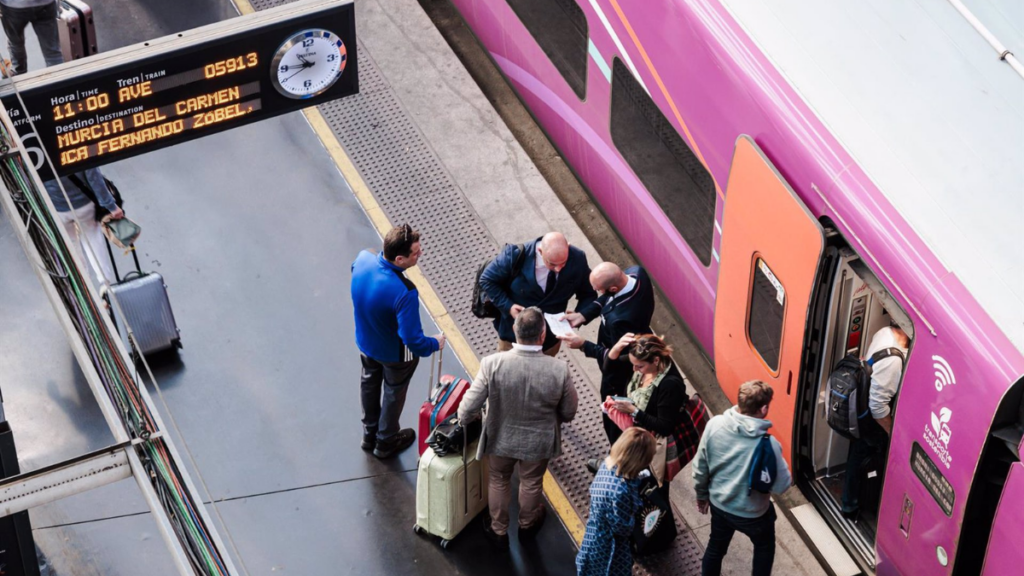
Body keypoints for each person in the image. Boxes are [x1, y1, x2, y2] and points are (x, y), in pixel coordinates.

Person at [457, 306, 578, 548]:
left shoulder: (492, 363)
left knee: (499, 479)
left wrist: (464, 421)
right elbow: (568, 412)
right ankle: (527, 525)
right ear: (543, 335)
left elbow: (468, 407)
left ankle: (498, 529)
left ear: (514, 330)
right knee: (531, 482)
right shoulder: (559, 370)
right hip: (539, 441)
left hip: (501, 437)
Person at [351, 224, 445, 459]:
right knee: (394, 391)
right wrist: (434, 343)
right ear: (400, 259)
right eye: (416, 252)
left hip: (365, 342)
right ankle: (386, 440)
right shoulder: (404, 292)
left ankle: (369, 433)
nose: (420, 253)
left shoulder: (364, 258)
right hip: (395, 354)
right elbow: (412, 340)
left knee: (369, 382)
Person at [692, 380, 792, 576]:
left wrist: (701, 496)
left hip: (719, 506)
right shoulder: (769, 444)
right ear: (763, 408)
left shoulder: (715, 425)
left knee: (715, 548)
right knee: (764, 548)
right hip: (753, 514)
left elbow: (700, 467)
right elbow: (782, 485)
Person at [560, 262, 655, 443]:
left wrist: (583, 345)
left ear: (613, 288)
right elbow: (608, 298)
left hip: (619, 374)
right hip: (640, 336)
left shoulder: (620, 320)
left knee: (613, 415)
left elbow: (617, 357)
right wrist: (584, 315)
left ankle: (618, 451)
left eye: (600, 290)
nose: (599, 294)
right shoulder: (636, 273)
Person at [479, 232, 600, 357]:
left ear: (568, 247)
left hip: (549, 342)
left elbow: (588, 293)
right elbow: (487, 280)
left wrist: (580, 314)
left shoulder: (577, 259)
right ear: (540, 251)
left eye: (563, 263)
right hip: (513, 338)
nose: (558, 269)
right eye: (552, 263)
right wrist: (508, 306)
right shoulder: (516, 255)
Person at [841, 325, 909, 519]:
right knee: (864, 457)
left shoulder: (884, 332)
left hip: (862, 410)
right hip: (873, 420)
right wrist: (893, 435)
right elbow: (878, 407)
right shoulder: (894, 361)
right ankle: (854, 506)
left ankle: (850, 504)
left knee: (856, 455)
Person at [596, 333, 688, 472]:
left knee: (634, 475)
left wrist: (634, 411)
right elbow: (610, 371)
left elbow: (664, 427)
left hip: (643, 446)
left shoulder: (670, 386)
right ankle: (613, 466)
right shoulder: (642, 361)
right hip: (629, 432)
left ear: (656, 360)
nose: (634, 370)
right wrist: (615, 349)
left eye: (639, 367)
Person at [576, 427, 656, 576]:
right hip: (608, 547)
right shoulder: (621, 491)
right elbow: (622, 528)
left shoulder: (607, 465)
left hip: (594, 536)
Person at [44, 168, 122, 285]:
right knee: (92, 237)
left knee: (71, 244)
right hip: (84, 205)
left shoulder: (36, 152)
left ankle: (83, 281)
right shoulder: (78, 150)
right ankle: (104, 280)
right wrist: (111, 206)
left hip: (58, 208)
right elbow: (94, 178)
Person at [1, 0, 64, 76]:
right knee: (52, 52)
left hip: (13, 6)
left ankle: (18, 72)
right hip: (45, 4)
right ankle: (59, 80)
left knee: (16, 43)